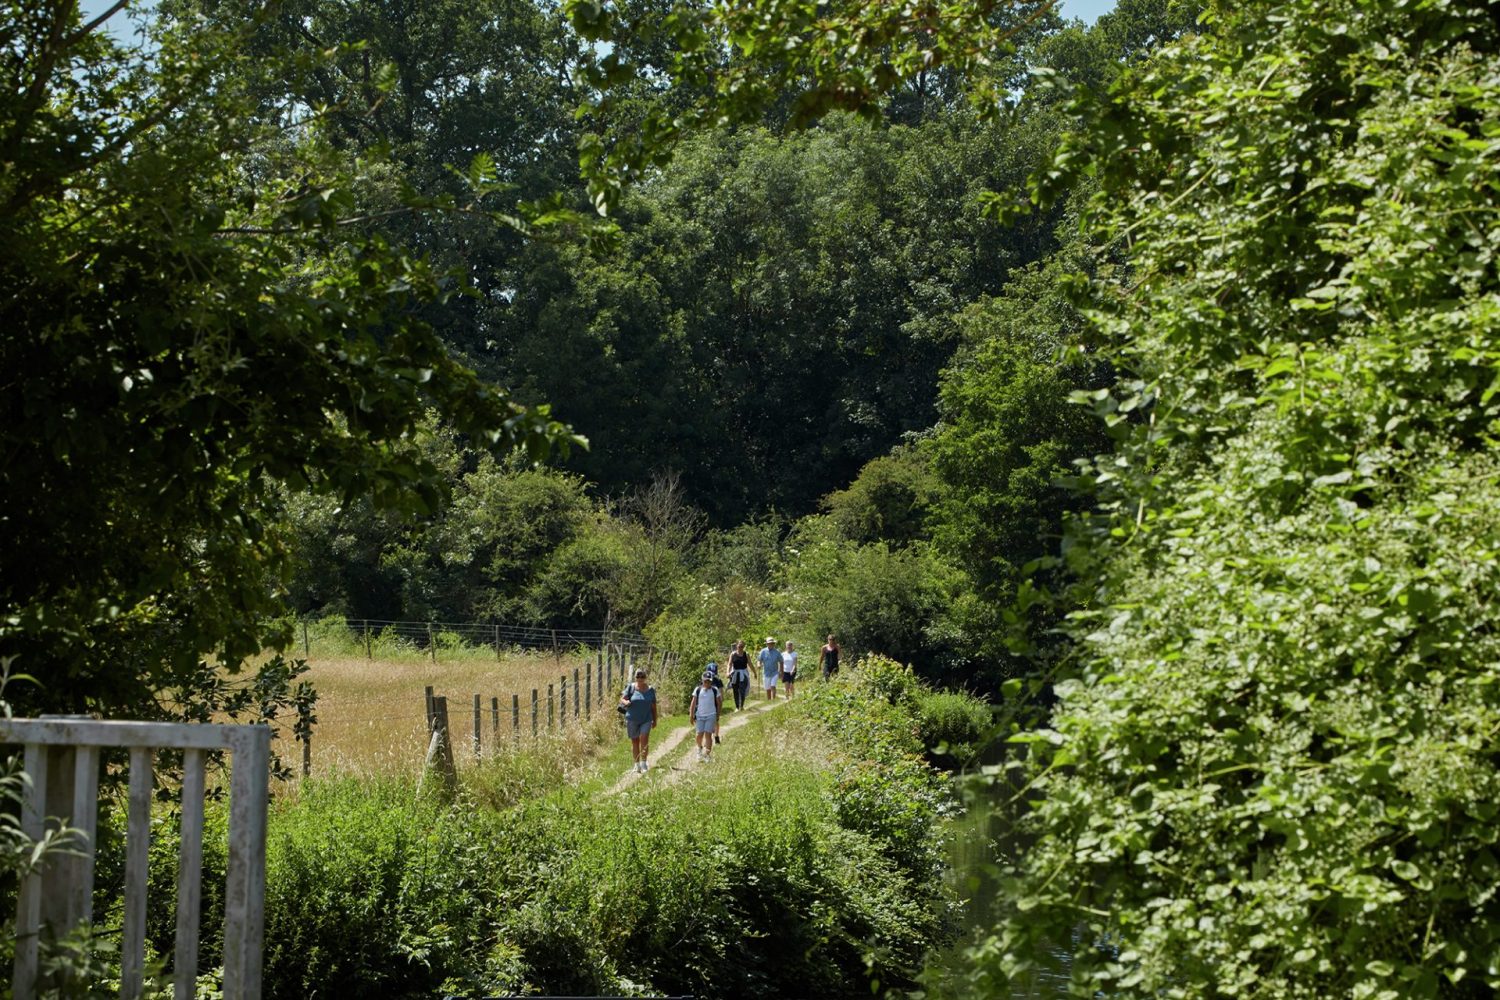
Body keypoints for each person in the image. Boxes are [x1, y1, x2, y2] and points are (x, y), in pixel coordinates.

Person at [619, 668, 658, 772]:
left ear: (645, 678)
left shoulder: (650, 690)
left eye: (642, 676)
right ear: (635, 677)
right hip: (632, 719)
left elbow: (654, 706)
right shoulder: (631, 687)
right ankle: (636, 765)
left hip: (646, 719)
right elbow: (622, 698)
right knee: (635, 741)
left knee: (644, 739)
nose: (640, 679)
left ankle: (644, 764)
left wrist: (655, 720)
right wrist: (626, 702)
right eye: (638, 676)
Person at [690, 671, 722, 762]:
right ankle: (699, 748)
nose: (707, 683)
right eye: (705, 681)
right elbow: (693, 703)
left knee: (708, 735)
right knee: (699, 735)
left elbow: (719, 703)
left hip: (711, 715)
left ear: (711, 681)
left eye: (709, 681)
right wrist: (691, 715)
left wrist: (717, 714)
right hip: (700, 716)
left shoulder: (714, 690)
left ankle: (707, 755)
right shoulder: (698, 690)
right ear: (702, 681)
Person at [727, 640, 751, 710]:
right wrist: (727, 672)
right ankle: (737, 707)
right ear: (737, 646)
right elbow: (729, 664)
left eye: (742, 646)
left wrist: (754, 672)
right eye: (739, 646)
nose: (741, 648)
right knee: (735, 691)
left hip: (743, 674)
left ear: (744, 647)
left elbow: (750, 664)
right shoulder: (733, 654)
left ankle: (741, 706)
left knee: (742, 690)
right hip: (735, 674)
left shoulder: (746, 654)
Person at [706, 661, 725, 744]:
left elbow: (721, 692)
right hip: (707, 703)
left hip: (715, 703)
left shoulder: (718, 681)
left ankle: (716, 736)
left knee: (716, 721)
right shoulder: (704, 680)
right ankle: (708, 737)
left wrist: (721, 701)